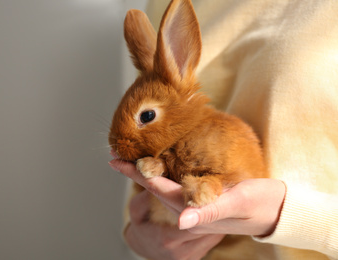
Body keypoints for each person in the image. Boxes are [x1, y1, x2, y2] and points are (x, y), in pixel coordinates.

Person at [109, 0, 338, 259]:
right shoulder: (162, 4)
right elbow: (139, 207)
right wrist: (139, 237)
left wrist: (290, 216)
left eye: (147, 117)